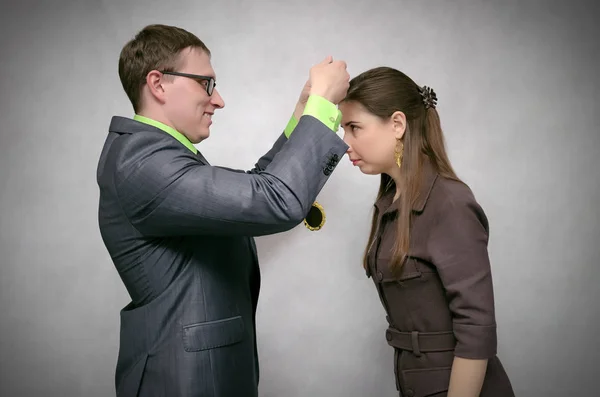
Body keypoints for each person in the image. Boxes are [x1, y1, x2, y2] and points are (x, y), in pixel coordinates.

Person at [96, 24, 349, 397]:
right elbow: (274, 199)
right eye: (206, 84)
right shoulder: (142, 163)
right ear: (158, 83)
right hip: (182, 381)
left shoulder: (156, 155)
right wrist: (324, 104)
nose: (219, 100)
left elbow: (255, 186)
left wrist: (302, 115)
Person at [339, 67, 515, 397]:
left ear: (397, 124)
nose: (344, 143)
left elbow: (475, 327)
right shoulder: (390, 202)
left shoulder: (449, 203)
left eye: (354, 128)